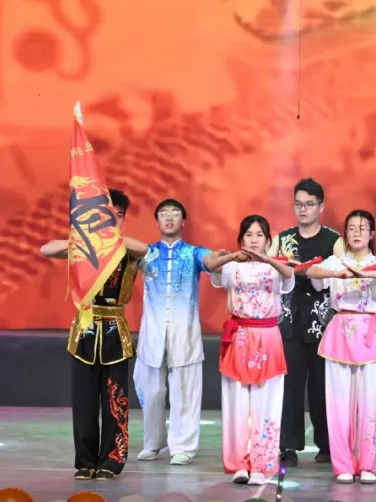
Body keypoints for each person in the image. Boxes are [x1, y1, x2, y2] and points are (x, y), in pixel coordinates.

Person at [39, 189, 149, 480]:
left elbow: (144, 249)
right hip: (84, 335)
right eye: (108, 215)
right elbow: (46, 249)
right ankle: (86, 461)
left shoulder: (128, 251)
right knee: (85, 403)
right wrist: (87, 239)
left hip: (115, 335)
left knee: (115, 403)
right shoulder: (83, 250)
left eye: (119, 216)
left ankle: (111, 462)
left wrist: (110, 237)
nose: (113, 220)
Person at [306, 210, 376, 484]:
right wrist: (339, 273)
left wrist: (364, 272)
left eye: (363, 228)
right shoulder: (336, 262)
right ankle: (343, 464)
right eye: (351, 228)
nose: (357, 233)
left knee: (372, 402)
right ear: (345, 234)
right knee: (338, 404)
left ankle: (369, 464)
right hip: (341, 333)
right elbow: (311, 272)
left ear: (372, 233)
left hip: (372, 333)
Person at [134, 198, 224, 466]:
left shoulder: (193, 253)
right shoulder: (146, 253)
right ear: (157, 221)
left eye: (175, 213)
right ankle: (153, 443)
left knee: (184, 390)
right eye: (164, 214)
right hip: (152, 333)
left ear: (183, 222)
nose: (169, 217)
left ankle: (183, 446)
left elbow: (211, 260)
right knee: (150, 390)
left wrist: (225, 257)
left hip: (183, 334)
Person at [209, 216, 295, 485]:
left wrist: (268, 259)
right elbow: (211, 266)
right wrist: (231, 256)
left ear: (268, 240)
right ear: (241, 240)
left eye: (259, 235)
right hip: (240, 336)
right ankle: (239, 465)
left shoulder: (276, 267)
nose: (254, 240)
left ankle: (261, 465)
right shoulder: (231, 267)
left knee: (266, 402)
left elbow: (289, 276)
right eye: (248, 234)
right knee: (236, 403)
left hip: (268, 336)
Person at [267, 177, 345, 467]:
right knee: (290, 385)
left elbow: (341, 276)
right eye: (298, 204)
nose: (303, 209)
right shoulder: (282, 238)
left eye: (309, 204)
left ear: (320, 207)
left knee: (323, 386)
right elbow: (269, 269)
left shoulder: (334, 240)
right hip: (289, 317)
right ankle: (287, 446)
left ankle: (327, 444)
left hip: (323, 321)